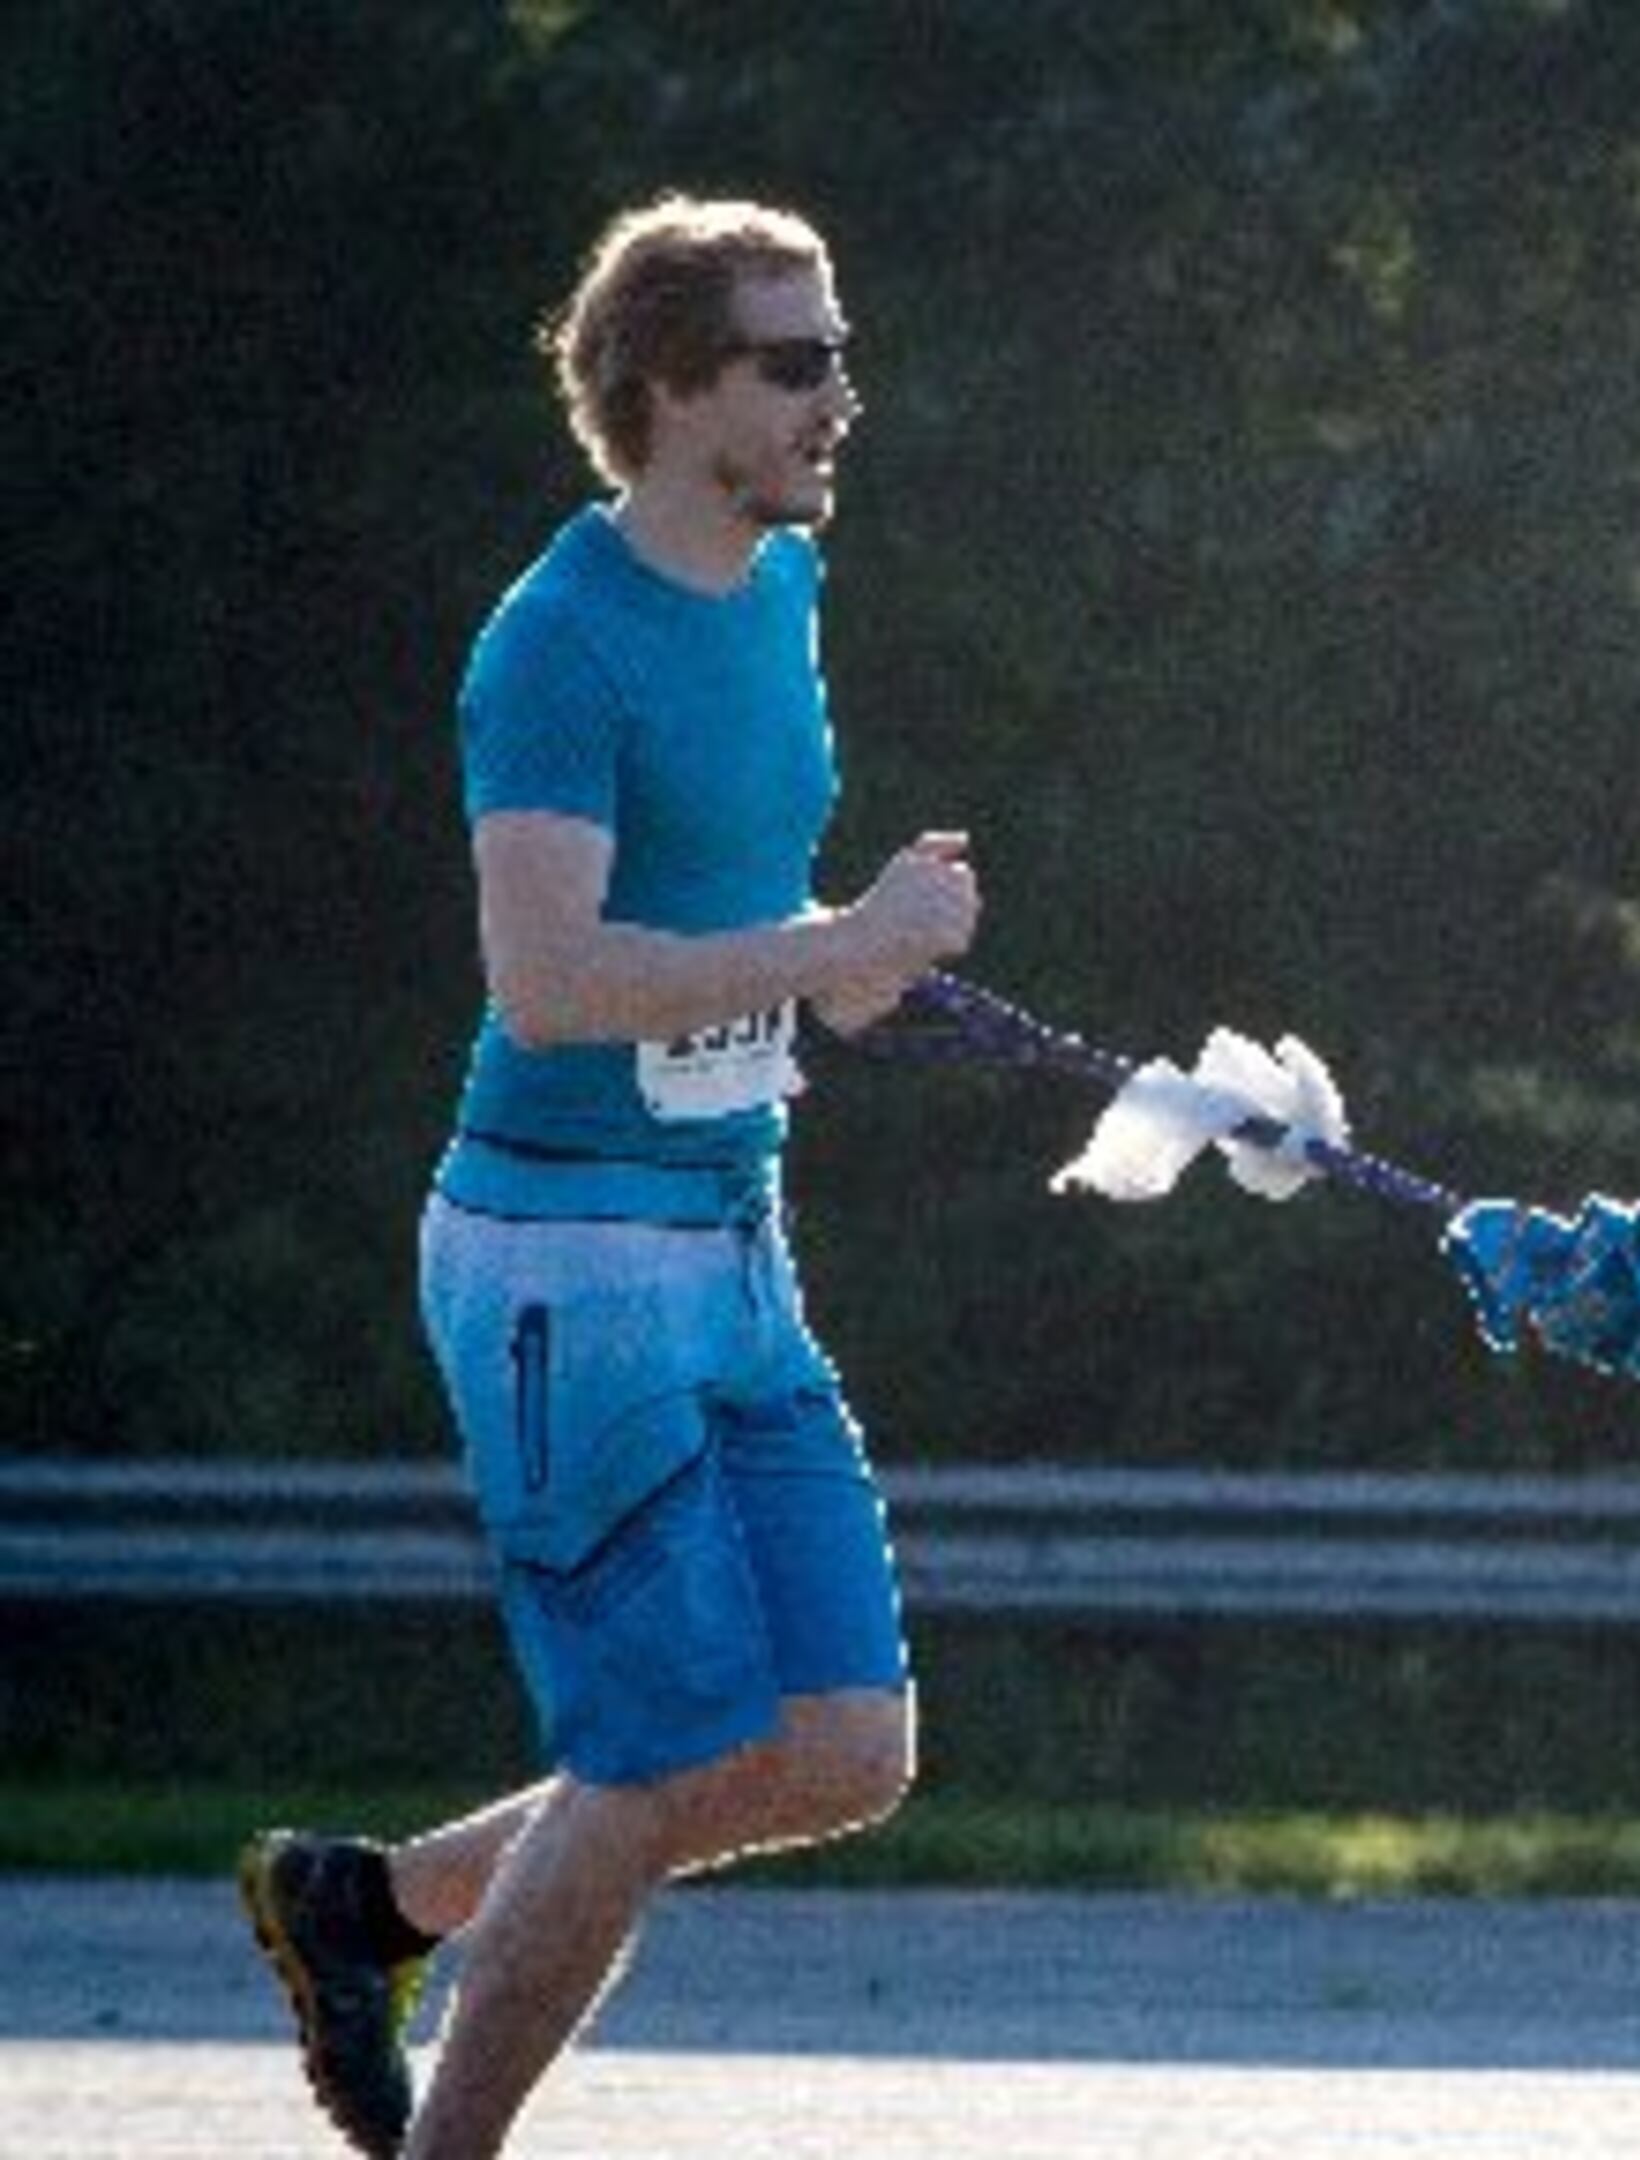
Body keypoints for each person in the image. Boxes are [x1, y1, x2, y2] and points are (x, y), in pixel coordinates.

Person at [236, 195, 980, 2158]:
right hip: (564, 1264)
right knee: (646, 1764)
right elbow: (552, 982)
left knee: (840, 1744)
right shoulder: (558, 642)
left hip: (731, 1234)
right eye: (794, 362)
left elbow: (723, 930)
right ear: (664, 392)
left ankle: (371, 1909)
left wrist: (853, 967)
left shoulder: (776, 597)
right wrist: (829, 955)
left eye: (841, 353)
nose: (843, 399)